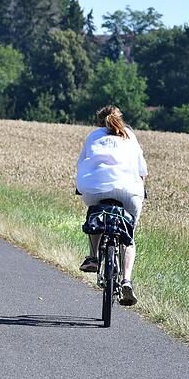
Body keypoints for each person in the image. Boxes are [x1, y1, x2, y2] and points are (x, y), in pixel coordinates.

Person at [75, 105, 147, 306]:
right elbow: (142, 172)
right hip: (130, 191)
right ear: (120, 119)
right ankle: (126, 280)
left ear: (99, 121)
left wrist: (81, 187)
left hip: (94, 188)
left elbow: (82, 166)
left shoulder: (93, 136)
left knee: (95, 215)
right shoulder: (129, 136)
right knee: (129, 236)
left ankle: (93, 257)